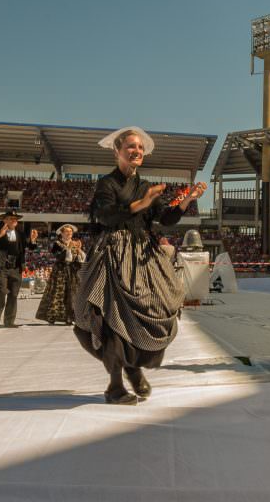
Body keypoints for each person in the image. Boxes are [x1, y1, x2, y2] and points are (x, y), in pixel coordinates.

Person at [72, 126, 207, 405]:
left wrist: (187, 199)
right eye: (131, 147)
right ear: (117, 151)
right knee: (111, 317)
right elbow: (106, 217)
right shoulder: (106, 184)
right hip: (112, 255)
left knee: (152, 310)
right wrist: (138, 205)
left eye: (140, 148)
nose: (137, 151)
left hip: (143, 257)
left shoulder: (145, 186)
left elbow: (165, 219)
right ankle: (115, 386)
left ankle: (133, 371)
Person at [0, 210, 38, 328]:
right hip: (2, 265)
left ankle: (9, 320)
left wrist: (33, 239)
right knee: (2, 291)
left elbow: (31, 247)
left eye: (16, 219)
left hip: (16, 266)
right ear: (5, 220)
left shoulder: (21, 233)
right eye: (11, 218)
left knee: (13, 294)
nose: (14, 221)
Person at [36, 224, 85, 324]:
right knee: (58, 293)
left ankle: (70, 317)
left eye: (70, 232)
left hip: (72, 272)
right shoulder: (57, 244)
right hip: (60, 271)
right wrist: (68, 249)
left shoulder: (75, 243)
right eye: (66, 231)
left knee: (72, 294)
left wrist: (79, 251)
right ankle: (52, 315)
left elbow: (80, 259)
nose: (69, 233)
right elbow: (59, 257)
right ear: (62, 233)